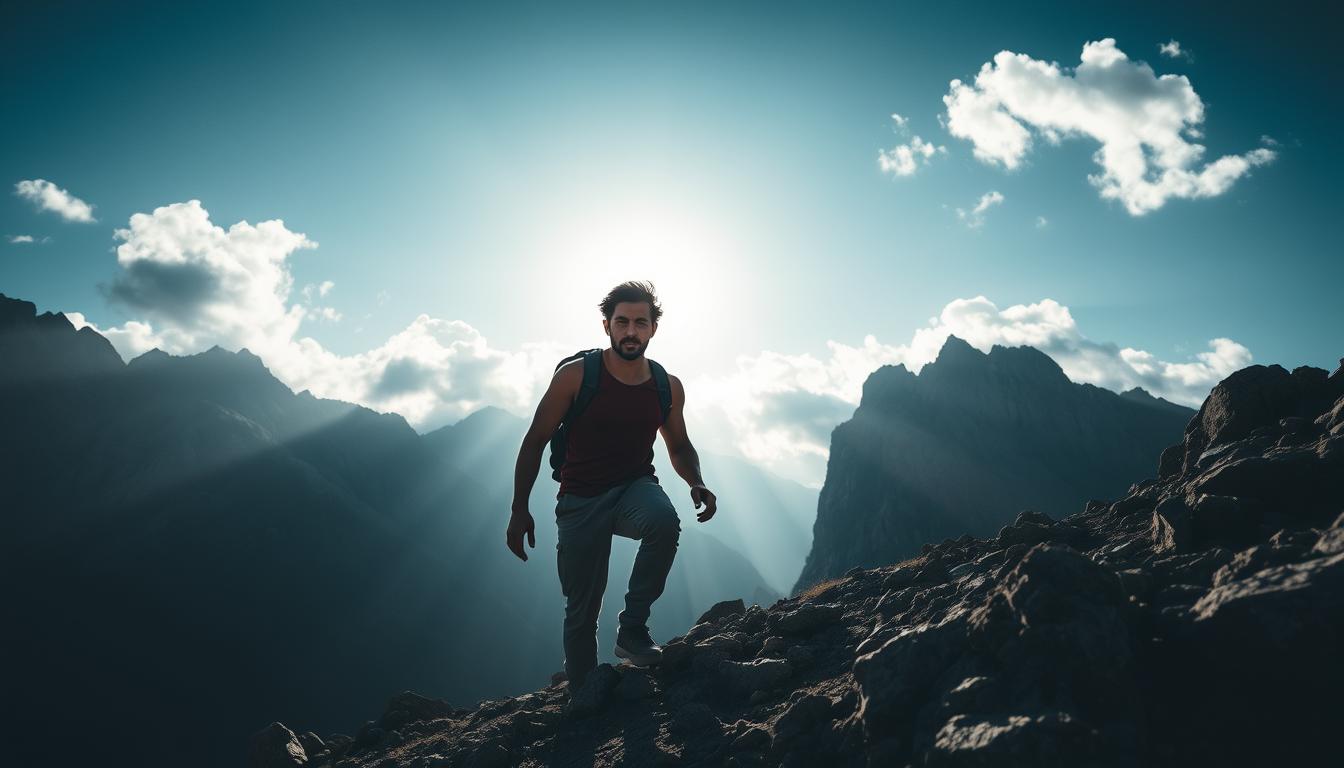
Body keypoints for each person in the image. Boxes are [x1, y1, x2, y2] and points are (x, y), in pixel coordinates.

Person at [506, 280, 717, 691]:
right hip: (579, 500)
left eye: (641, 322)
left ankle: (632, 630)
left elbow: (678, 444)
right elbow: (534, 441)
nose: (631, 331)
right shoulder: (575, 377)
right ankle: (584, 692)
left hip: (633, 488)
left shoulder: (666, 386)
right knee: (581, 612)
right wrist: (519, 508)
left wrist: (697, 481)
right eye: (622, 322)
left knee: (664, 522)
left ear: (654, 328)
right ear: (607, 326)